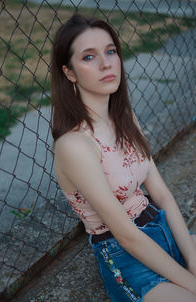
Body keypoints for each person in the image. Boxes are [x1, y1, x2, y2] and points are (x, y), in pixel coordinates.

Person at [50, 13, 196, 302]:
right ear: (69, 73)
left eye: (111, 51)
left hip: (162, 230)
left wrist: (191, 258)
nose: (106, 63)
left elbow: (163, 195)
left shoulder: (125, 117)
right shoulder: (74, 145)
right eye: (89, 57)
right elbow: (126, 234)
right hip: (128, 259)